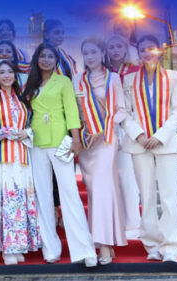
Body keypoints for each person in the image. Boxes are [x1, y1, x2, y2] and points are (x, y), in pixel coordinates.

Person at [23, 43, 97, 267]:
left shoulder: (64, 81)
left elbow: (72, 111)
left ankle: (84, 250)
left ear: (56, 60)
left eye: (50, 56)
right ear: (37, 59)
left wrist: (76, 139)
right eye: (42, 56)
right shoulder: (31, 83)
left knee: (70, 194)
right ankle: (50, 248)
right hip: (35, 142)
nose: (46, 60)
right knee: (42, 195)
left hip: (60, 142)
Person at [120, 34, 177, 262]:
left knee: (169, 197)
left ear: (159, 51)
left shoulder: (174, 77)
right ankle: (152, 246)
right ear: (137, 53)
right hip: (140, 145)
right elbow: (124, 113)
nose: (147, 53)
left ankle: (171, 248)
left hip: (166, 144)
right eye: (142, 50)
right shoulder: (129, 80)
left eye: (151, 48)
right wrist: (139, 135)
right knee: (146, 197)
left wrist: (159, 136)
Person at [74, 38, 128, 263]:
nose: (90, 56)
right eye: (86, 53)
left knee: (102, 191)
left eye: (94, 52)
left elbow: (121, 111)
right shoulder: (77, 79)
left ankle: (104, 246)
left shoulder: (113, 78)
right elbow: (74, 111)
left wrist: (104, 128)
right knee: (96, 192)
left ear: (102, 52)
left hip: (106, 141)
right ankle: (102, 241)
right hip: (88, 144)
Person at [0, 60, 39, 264]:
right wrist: (4, 132)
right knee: (5, 195)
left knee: (21, 195)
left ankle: (20, 243)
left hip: (22, 153)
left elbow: (32, 125)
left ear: (15, 75)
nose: (6, 75)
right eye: (1, 72)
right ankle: (7, 247)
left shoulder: (24, 100)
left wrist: (27, 132)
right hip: (2, 154)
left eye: (10, 72)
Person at [105, 34, 143, 240]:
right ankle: (113, 222)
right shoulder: (101, 72)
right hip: (105, 129)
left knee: (128, 176)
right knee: (111, 177)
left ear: (126, 49)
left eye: (119, 46)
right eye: (111, 46)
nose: (116, 50)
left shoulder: (136, 71)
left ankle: (132, 224)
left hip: (129, 126)